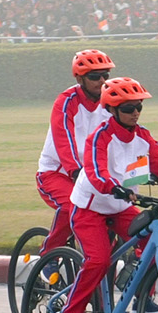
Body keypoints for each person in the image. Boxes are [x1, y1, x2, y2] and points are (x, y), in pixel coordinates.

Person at [54, 77, 158, 313]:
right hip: (90, 208)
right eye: (128, 108)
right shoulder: (100, 136)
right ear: (112, 110)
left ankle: (142, 302)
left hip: (120, 206)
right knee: (99, 260)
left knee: (152, 242)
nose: (135, 112)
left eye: (139, 107)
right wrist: (114, 187)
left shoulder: (142, 137)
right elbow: (97, 171)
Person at [35, 49, 114, 254]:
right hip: (57, 173)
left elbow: (125, 140)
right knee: (73, 206)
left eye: (105, 75)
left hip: (92, 175)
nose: (101, 81)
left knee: (116, 213)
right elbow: (64, 141)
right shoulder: (66, 101)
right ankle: (49, 255)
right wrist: (76, 171)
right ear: (79, 79)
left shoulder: (111, 102)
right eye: (94, 76)